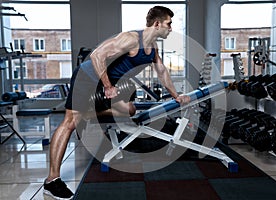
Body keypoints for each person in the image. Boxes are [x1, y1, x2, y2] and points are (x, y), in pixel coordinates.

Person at [43, 5, 190, 200]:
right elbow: (96, 56)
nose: (171, 29)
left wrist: (176, 96)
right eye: (168, 24)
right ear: (157, 23)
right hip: (87, 77)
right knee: (70, 122)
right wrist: (107, 86)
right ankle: (51, 180)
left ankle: (88, 115)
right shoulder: (130, 39)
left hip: (107, 84)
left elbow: (161, 71)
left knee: (129, 109)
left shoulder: (152, 47)